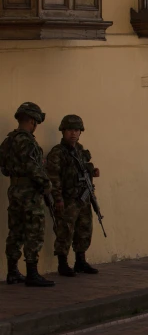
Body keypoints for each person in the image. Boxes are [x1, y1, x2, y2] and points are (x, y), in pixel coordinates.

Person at [0, 103, 54, 287]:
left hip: (14, 190)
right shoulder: (28, 141)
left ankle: (12, 271)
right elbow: (34, 168)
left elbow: (4, 168)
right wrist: (47, 185)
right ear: (32, 120)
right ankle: (32, 273)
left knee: (15, 231)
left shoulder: (8, 140)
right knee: (34, 230)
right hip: (29, 193)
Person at [46, 115, 100, 277]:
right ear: (63, 131)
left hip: (83, 197)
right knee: (65, 231)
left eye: (76, 130)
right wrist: (58, 199)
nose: (73, 134)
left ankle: (80, 261)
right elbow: (53, 177)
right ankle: (62, 264)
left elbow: (82, 171)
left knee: (84, 229)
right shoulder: (57, 152)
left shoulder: (80, 151)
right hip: (67, 198)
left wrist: (92, 172)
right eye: (70, 130)